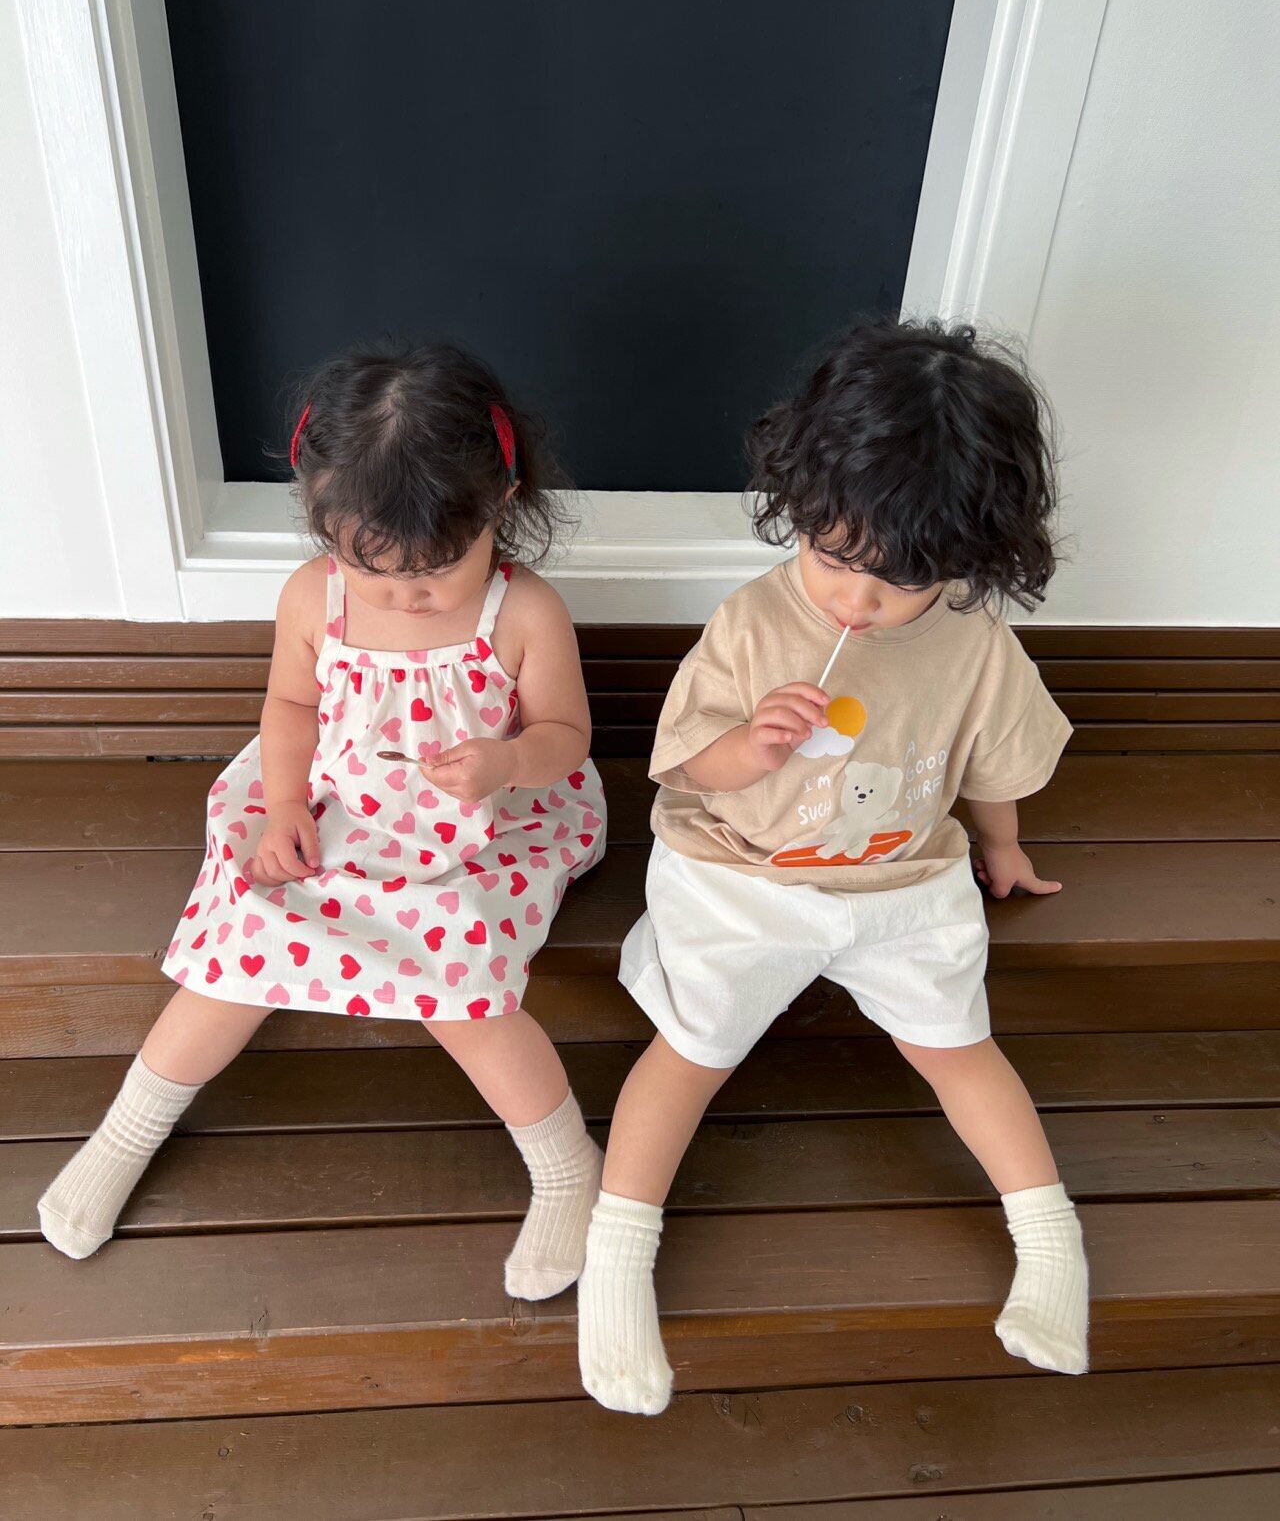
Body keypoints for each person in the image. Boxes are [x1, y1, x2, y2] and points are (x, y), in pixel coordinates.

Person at [577, 317, 1086, 1414]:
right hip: (739, 873)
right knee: (691, 1048)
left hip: (901, 879)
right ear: (798, 508)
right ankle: (616, 1252)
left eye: (895, 581)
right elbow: (687, 765)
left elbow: (990, 763)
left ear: (970, 555)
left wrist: (999, 845)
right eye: (832, 558)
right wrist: (751, 743)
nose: (855, 601)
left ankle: (1050, 1237)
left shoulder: (975, 643)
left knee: (961, 1050)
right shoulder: (753, 623)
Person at [39, 341, 607, 1302]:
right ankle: (128, 1130)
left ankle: (564, 1165)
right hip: (334, 803)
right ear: (322, 518)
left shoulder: (524, 612)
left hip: (480, 825)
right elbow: (291, 707)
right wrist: (285, 806)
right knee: (242, 941)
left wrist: (507, 761)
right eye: (371, 569)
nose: (405, 595)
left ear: (501, 504)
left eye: (437, 570)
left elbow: (565, 734)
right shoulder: (314, 596)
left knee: (463, 985)